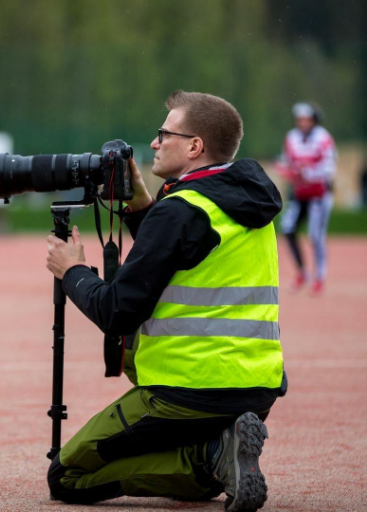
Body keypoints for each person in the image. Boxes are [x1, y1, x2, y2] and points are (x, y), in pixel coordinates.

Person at [45, 90, 285, 512]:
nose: (154, 144)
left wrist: (73, 272)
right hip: (255, 387)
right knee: (139, 350)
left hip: (190, 392)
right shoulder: (241, 198)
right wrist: (141, 207)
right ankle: (221, 447)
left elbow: (117, 312)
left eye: (164, 134)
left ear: (195, 146)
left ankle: (208, 459)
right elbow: (182, 254)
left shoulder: (180, 210)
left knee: (68, 477)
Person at [278, 102, 337, 295]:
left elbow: (329, 166)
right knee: (287, 228)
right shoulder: (291, 137)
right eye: (299, 120)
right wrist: (286, 169)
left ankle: (319, 277)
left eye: (306, 119)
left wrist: (309, 173)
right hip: (299, 194)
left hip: (319, 195)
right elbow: (286, 161)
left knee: (315, 235)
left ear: (314, 120)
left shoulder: (323, 138)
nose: (302, 123)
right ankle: (302, 272)